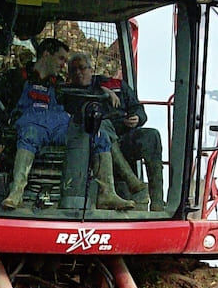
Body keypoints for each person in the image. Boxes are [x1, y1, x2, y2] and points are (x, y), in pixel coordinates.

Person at [0, 38, 133, 211]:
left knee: (98, 135)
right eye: (61, 59)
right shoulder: (18, 77)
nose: (63, 65)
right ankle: (16, 192)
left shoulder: (60, 84)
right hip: (31, 125)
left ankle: (107, 193)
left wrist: (105, 90)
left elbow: (85, 89)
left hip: (59, 127)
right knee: (29, 135)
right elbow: (1, 109)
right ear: (46, 55)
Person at [67, 54, 165, 211]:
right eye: (74, 70)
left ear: (91, 70)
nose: (78, 73)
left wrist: (137, 118)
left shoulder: (118, 85)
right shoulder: (71, 92)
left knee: (151, 135)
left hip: (124, 136)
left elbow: (139, 109)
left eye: (82, 68)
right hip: (94, 142)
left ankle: (158, 202)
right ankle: (132, 180)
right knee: (101, 123)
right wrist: (104, 91)